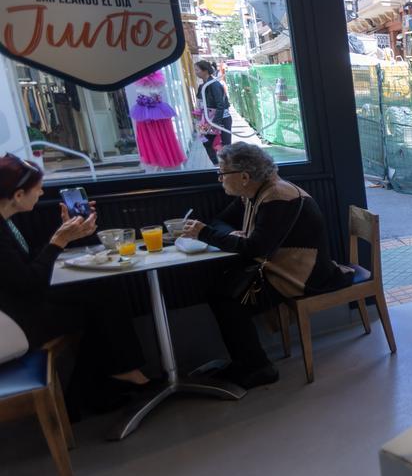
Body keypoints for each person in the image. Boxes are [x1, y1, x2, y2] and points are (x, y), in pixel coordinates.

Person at [182, 143, 351, 389]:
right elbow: (222, 222)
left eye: (222, 173)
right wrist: (233, 234)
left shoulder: (278, 197)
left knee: (227, 299)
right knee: (220, 290)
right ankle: (248, 363)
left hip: (307, 275)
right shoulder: (254, 193)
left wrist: (205, 233)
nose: (219, 179)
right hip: (281, 267)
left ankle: (258, 368)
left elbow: (256, 248)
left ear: (243, 176)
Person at [0, 154, 151, 413]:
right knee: (98, 308)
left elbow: (22, 266)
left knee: (103, 291)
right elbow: (28, 283)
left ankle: (108, 384)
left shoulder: (6, 223)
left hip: (20, 304)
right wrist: (59, 241)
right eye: (37, 188)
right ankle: (111, 383)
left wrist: (66, 235)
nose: (42, 192)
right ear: (18, 195)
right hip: (15, 321)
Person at [195, 60, 232, 165]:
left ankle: (226, 168)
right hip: (209, 118)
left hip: (221, 119)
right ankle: (217, 165)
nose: (195, 72)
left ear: (205, 71)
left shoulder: (214, 84)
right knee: (206, 141)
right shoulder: (203, 86)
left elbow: (221, 105)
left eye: (197, 70)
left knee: (225, 146)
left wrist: (215, 123)